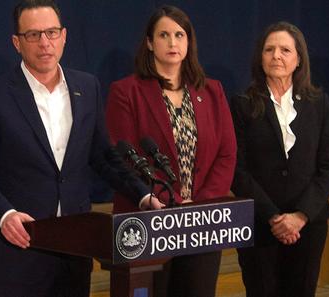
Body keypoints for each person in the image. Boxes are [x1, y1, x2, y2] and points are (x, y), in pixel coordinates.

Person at [0, 1, 150, 296]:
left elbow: (103, 156)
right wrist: (4, 214)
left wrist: (143, 194)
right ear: (17, 42)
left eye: (51, 32)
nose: (44, 43)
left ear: (64, 35)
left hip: (74, 253)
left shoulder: (87, 88)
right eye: (33, 35)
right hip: (17, 254)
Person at [105, 5, 236, 297]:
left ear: (189, 42)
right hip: (150, 223)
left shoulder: (212, 91)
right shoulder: (126, 91)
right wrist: (173, 205)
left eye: (179, 34)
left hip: (201, 224)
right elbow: (122, 157)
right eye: (164, 35)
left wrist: (199, 206)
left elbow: (227, 154)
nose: (173, 42)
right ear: (150, 43)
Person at [230, 22, 329, 297]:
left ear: (298, 58)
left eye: (285, 50)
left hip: (308, 225)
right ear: (260, 57)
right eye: (269, 49)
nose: (276, 55)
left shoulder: (318, 102)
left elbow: (328, 166)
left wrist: (300, 215)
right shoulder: (242, 104)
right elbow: (237, 169)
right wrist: (275, 218)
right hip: (258, 223)